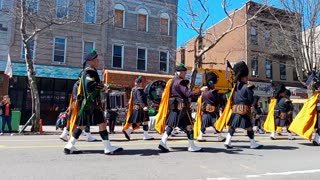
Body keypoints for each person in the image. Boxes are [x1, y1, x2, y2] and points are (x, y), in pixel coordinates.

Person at [64, 49, 123, 155]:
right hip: (91, 104)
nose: (98, 61)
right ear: (91, 61)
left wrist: (102, 87)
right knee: (102, 124)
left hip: (88, 104)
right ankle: (108, 147)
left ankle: (70, 145)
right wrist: (103, 87)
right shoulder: (89, 72)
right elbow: (89, 85)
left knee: (81, 126)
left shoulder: (89, 71)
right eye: (96, 60)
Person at [156, 63, 206, 152]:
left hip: (175, 107)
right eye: (184, 72)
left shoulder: (172, 81)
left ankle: (162, 142)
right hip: (182, 108)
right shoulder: (180, 82)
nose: (185, 74)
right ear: (180, 73)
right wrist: (200, 90)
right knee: (189, 126)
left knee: (171, 125)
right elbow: (188, 94)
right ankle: (191, 146)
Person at [224, 61, 262, 149]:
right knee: (249, 127)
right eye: (246, 77)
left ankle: (227, 141)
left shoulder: (236, 87)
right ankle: (253, 143)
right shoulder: (247, 87)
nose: (247, 78)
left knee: (233, 126)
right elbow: (250, 100)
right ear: (242, 77)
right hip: (244, 110)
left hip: (235, 109)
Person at [59, 72, 97, 142]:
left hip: (74, 103)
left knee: (72, 120)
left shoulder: (76, 83)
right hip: (79, 104)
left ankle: (64, 134)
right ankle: (87, 136)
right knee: (84, 119)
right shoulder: (80, 84)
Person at [195, 72, 226, 142]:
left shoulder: (204, 92)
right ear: (212, 84)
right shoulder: (214, 93)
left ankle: (200, 136)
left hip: (205, 112)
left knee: (203, 125)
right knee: (216, 124)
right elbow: (217, 102)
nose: (215, 85)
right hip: (213, 112)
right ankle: (219, 136)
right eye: (214, 83)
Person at [122, 76, 154, 140]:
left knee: (139, 122)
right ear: (140, 83)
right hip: (141, 108)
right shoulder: (139, 90)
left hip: (136, 107)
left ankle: (130, 131)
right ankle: (144, 135)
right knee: (144, 121)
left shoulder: (133, 90)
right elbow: (140, 99)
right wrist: (144, 106)